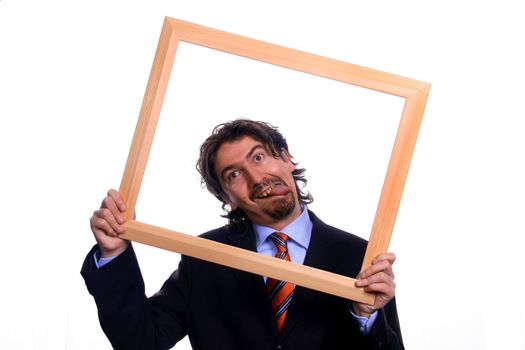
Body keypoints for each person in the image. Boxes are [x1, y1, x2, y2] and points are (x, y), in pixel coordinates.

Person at [81, 119, 403, 349]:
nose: (256, 177)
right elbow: (141, 341)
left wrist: (366, 317)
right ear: (227, 198)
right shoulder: (204, 257)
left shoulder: (359, 256)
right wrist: (114, 254)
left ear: (286, 158)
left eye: (259, 157)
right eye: (234, 174)